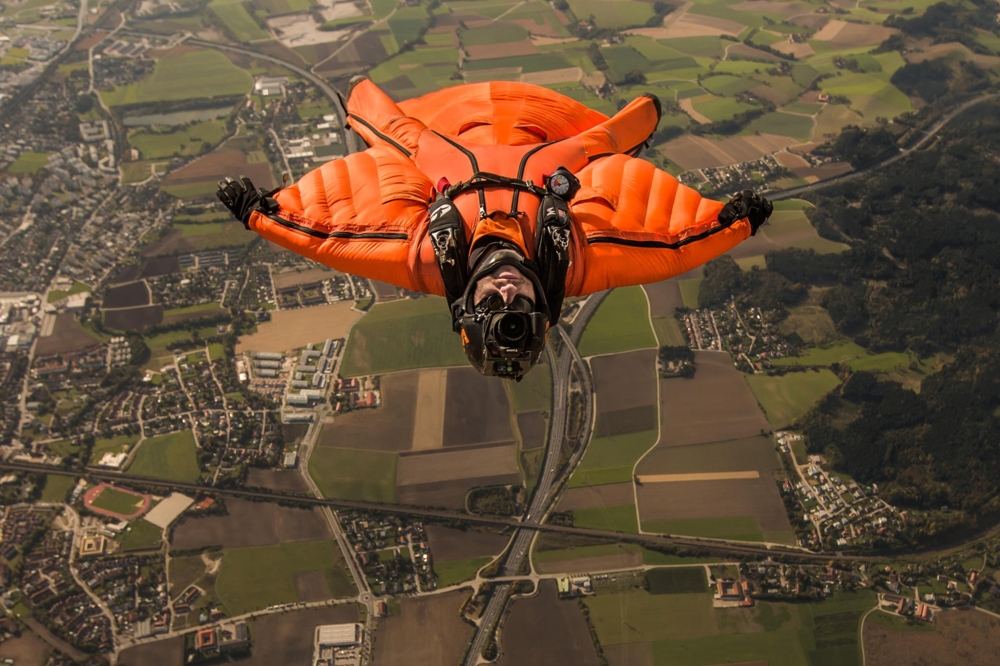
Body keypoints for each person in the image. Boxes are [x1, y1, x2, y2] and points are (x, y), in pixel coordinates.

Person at [217, 78, 772, 380]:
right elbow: (667, 246)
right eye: (523, 305)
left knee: (396, 137)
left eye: (492, 304)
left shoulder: (426, 258)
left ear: (464, 306)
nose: (508, 289)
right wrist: (733, 221)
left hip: (449, 119)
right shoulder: (575, 259)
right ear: (544, 306)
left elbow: (333, 237)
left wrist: (260, 214)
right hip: (552, 122)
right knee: (603, 144)